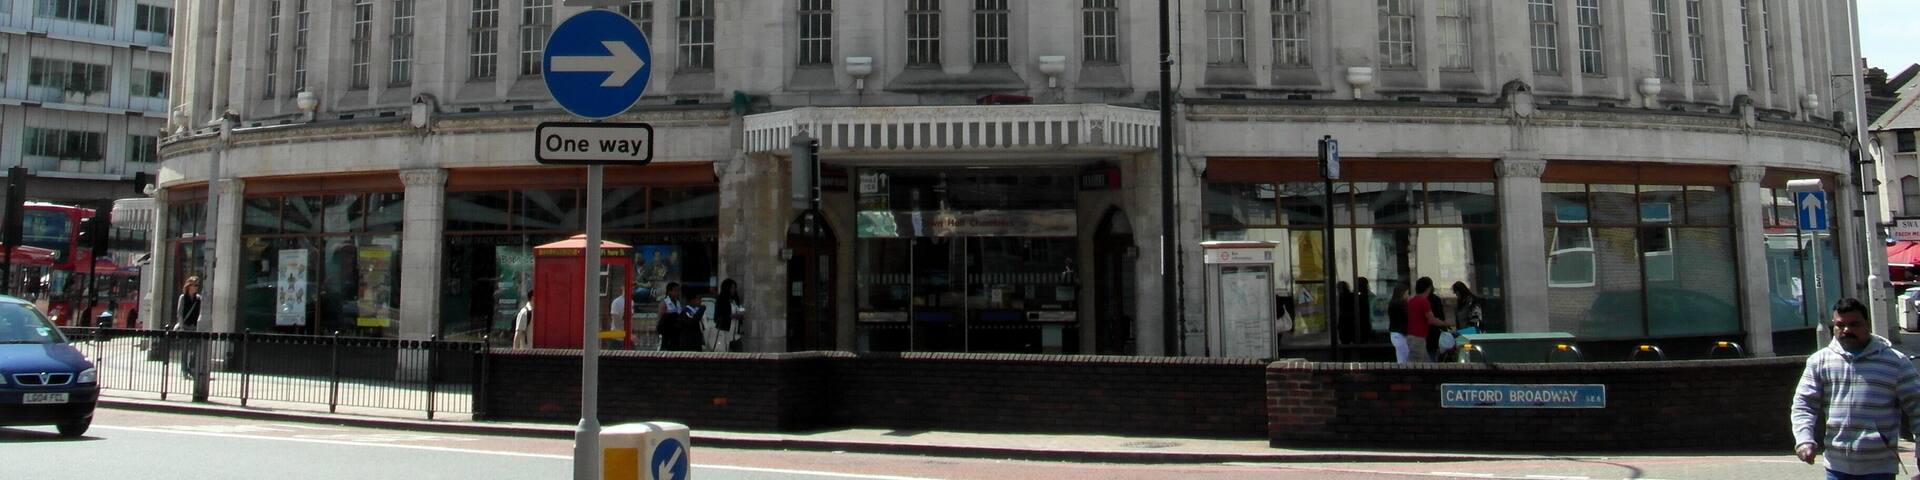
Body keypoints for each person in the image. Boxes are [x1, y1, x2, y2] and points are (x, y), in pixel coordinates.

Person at [1792, 298, 1920, 480]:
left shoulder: (1895, 362)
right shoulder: (1819, 361)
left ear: (1867, 324)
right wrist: (1804, 439)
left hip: (1879, 467)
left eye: (1854, 324)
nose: (1846, 330)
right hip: (1836, 466)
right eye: (1840, 325)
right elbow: (1804, 404)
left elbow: (1917, 408)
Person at [1405, 277, 1453, 363]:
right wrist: (1445, 323)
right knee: (1416, 364)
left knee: (1426, 363)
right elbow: (1431, 320)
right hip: (1418, 337)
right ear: (1429, 288)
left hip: (1411, 336)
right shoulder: (1424, 301)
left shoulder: (1411, 301)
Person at [658, 282, 703, 351]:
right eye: (676, 290)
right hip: (668, 331)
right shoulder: (664, 303)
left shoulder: (678, 302)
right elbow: (661, 319)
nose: (678, 293)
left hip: (678, 330)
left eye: (678, 290)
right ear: (670, 291)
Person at [174, 277, 203, 378]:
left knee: (195, 349)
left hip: (194, 327)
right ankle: (184, 370)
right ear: (189, 286)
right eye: (194, 285)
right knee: (185, 350)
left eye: (197, 285)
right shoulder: (183, 297)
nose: (196, 287)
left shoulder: (199, 298)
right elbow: (180, 313)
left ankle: (191, 367)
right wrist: (181, 327)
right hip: (185, 327)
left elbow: (200, 313)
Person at [711, 279, 744, 352]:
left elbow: (740, 309)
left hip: (736, 335)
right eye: (732, 288)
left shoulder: (735, 300)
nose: (734, 290)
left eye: (735, 288)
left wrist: (741, 315)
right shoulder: (721, 300)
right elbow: (716, 318)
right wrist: (731, 316)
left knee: (740, 355)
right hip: (725, 333)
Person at [1387, 285, 1411, 363]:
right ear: (1402, 294)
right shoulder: (1401, 304)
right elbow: (1407, 317)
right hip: (1400, 333)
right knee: (1403, 357)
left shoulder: (1393, 303)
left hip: (1396, 333)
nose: (1408, 296)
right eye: (1407, 294)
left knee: (1402, 356)